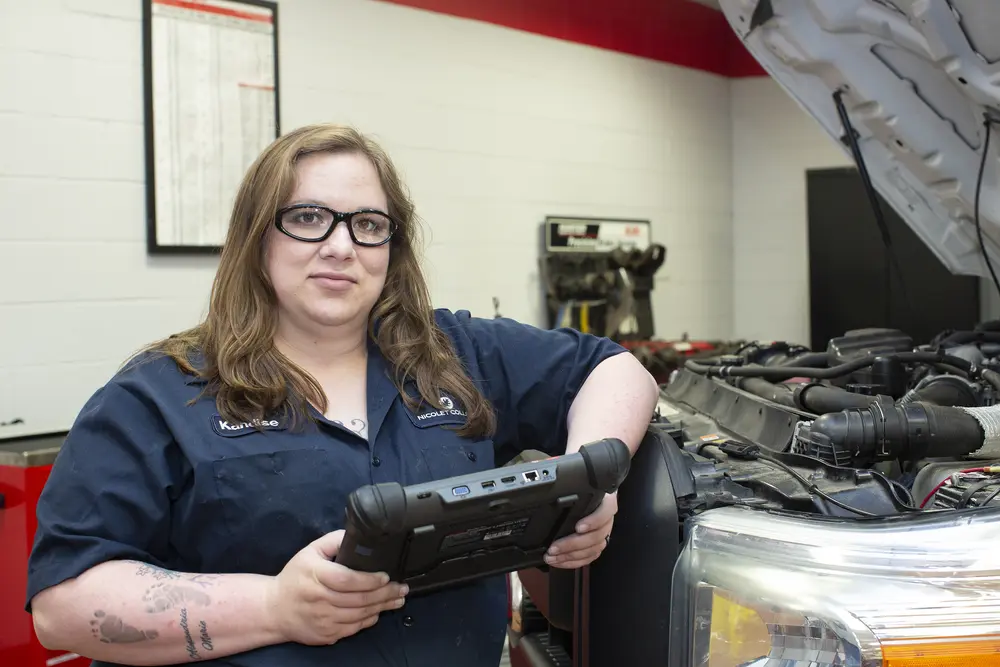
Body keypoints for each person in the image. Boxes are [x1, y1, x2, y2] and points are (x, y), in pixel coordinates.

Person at [25, 123, 659, 667]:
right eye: (306, 218)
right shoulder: (159, 398)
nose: (340, 246)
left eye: (367, 224)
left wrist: (590, 480)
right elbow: (65, 604)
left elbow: (613, 370)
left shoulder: (456, 354)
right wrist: (275, 608)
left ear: (392, 246)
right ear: (258, 237)